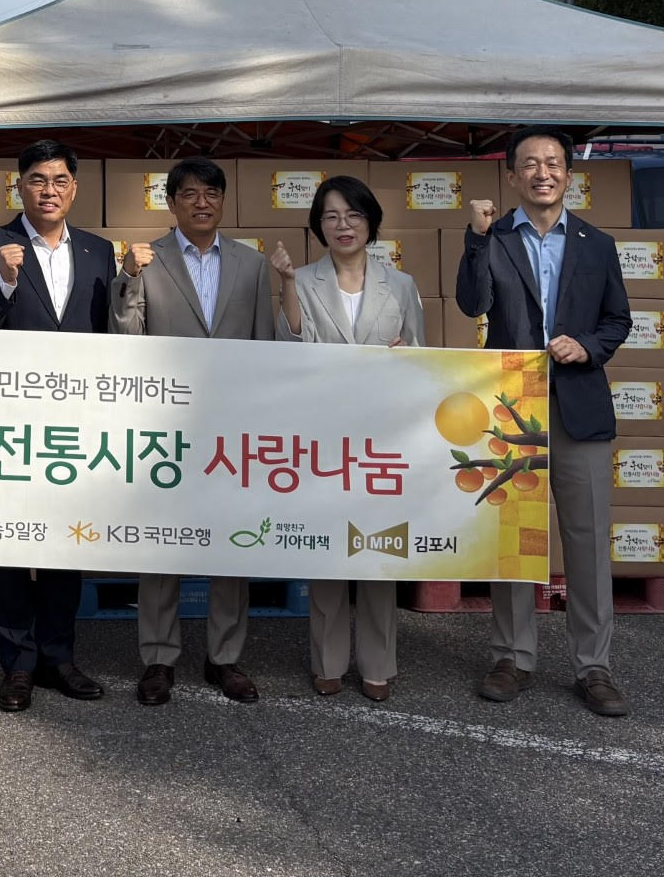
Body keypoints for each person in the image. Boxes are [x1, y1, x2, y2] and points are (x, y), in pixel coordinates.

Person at [455, 127, 633, 717]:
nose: (542, 173)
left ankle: (594, 666)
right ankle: (511, 656)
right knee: (514, 540)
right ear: (511, 175)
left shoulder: (597, 244)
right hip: (513, 406)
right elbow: (472, 303)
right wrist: (477, 239)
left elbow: (617, 320)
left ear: (568, 175)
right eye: (530, 164)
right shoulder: (495, 235)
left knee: (588, 542)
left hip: (579, 406)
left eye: (553, 163)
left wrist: (587, 346)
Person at [112, 156, 282, 707]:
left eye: (211, 193)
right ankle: (158, 657)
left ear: (223, 201)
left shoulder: (251, 264)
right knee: (162, 545)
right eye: (189, 193)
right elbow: (126, 338)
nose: (201, 202)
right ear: (171, 202)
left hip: (232, 427)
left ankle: (224, 657)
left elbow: (264, 346)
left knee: (230, 543)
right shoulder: (147, 259)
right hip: (167, 426)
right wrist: (128, 278)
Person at [0, 138, 114, 714]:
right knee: (10, 542)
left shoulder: (99, 252)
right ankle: (17, 663)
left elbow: (109, 336)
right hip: (10, 421)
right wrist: (3, 282)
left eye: (59, 181)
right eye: (37, 180)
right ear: (19, 186)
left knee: (66, 541)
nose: (49, 191)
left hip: (74, 423)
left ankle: (58, 655)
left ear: (74, 188)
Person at [268, 173, 426, 703]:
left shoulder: (400, 284)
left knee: (380, 550)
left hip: (383, 438)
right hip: (324, 435)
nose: (343, 225)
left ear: (371, 223)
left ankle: (378, 663)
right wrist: (286, 283)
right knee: (329, 549)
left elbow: (422, 357)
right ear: (318, 226)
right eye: (331, 216)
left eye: (353, 215)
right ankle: (328, 660)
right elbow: (290, 347)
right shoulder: (304, 279)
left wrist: (407, 358)